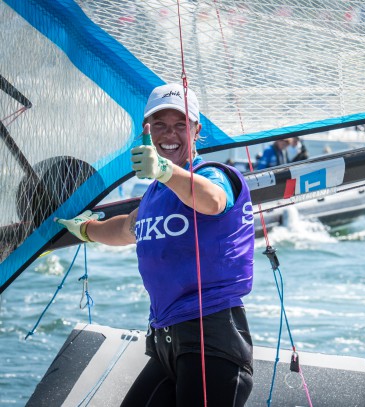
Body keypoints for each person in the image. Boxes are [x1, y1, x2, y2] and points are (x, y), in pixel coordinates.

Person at [56, 83, 255, 406]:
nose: (170, 134)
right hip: (166, 339)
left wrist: (164, 170)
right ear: (145, 130)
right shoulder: (155, 195)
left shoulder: (214, 175)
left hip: (212, 339)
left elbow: (214, 201)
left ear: (197, 130)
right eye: (159, 125)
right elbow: (125, 228)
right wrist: (86, 229)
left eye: (181, 125)